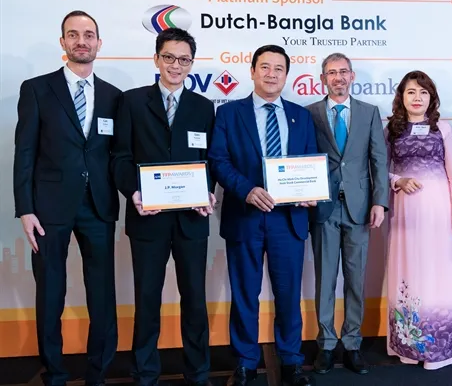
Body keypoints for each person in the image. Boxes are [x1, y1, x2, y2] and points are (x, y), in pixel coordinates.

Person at [13, 10, 121, 386]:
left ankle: (98, 374)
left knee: (102, 296)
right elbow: (24, 152)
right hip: (48, 208)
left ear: (99, 43)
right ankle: (55, 374)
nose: (81, 41)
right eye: (73, 34)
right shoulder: (37, 89)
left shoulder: (113, 96)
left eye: (89, 35)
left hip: (99, 206)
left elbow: (117, 154)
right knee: (51, 293)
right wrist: (25, 209)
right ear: (63, 42)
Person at [111, 28, 216, 386]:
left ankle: (198, 374)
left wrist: (207, 191)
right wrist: (133, 192)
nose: (176, 65)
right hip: (148, 218)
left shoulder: (203, 106)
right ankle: (145, 374)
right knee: (147, 300)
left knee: (195, 301)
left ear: (191, 64)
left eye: (184, 59)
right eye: (169, 57)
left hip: (191, 219)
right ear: (156, 59)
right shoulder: (131, 102)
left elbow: (209, 159)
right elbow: (120, 157)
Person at [209, 44, 317, 386]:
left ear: (287, 75)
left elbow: (311, 161)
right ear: (253, 71)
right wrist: (247, 190)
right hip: (245, 216)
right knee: (244, 293)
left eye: (278, 69)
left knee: (288, 293)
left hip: (289, 219)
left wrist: (310, 190)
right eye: (265, 67)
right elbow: (218, 160)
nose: (271, 74)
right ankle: (245, 361)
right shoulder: (229, 113)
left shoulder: (301, 116)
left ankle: (291, 360)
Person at [306, 53, 388, 375]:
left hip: (360, 208)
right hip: (323, 207)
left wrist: (379, 202)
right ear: (322, 79)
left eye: (343, 72)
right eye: (331, 72)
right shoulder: (309, 113)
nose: (338, 77)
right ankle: (326, 344)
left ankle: (352, 343)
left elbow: (378, 159)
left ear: (352, 76)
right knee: (325, 279)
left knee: (356, 279)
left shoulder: (369, 112)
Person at [384, 70, 452, 370]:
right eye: (411, 92)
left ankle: (438, 350)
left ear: (431, 97)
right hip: (405, 213)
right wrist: (397, 180)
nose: (417, 97)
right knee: (407, 272)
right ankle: (408, 348)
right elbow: (378, 168)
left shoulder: (444, 129)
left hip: (439, 213)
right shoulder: (391, 130)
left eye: (423, 92)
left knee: (438, 274)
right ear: (401, 97)